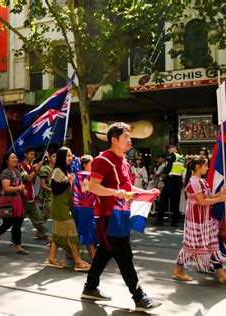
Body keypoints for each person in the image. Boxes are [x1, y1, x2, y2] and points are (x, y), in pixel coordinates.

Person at [81, 122, 162, 312]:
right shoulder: (103, 160)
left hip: (122, 214)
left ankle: (90, 287)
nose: (129, 140)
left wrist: (147, 192)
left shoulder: (124, 160)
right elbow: (92, 186)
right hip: (110, 217)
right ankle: (139, 297)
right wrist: (114, 192)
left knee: (105, 252)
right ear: (114, 139)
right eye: (126, 136)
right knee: (125, 255)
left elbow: (127, 189)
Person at [172, 155, 226, 284]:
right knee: (189, 247)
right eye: (206, 165)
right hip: (197, 221)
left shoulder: (201, 181)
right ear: (198, 167)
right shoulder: (194, 181)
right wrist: (219, 199)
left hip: (206, 220)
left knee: (213, 246)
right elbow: (202, 201)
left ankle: (222, 275)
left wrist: (219, 194)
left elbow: (209, 196)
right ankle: (178, 271)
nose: (207, 167)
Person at [47, 147, 91, 271]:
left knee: (58, 233)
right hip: (59, 207)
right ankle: (77, 261)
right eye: (68, 156)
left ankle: (51, 258)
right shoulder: (57, 171)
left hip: (64, 206)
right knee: (71, 232)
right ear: (62, 157)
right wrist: (68, 181)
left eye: (71, 155)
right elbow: (55, 190)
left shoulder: (65, 171)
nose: (71, 158)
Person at [0, 152, 28, 254]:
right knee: (7, 224)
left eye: (16, 157)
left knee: (18, 224)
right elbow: (6, 188)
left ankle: (18, 246)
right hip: (8, 202)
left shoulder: (17, 171)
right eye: (13, 158)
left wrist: (22, 190)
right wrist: (19, 188)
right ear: (7, 161)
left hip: (17, 201)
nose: (15, 159)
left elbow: (20, 184)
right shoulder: (5, 173)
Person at [19, 148, 49, 241]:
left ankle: (46, 237)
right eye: (31, 154)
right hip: (23, 199)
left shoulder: (32, 167)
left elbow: (33, 181)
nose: (33, 156)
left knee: (39, 220)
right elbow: (27, 178)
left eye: (33, 154)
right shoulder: (20, 166)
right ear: (25, 154)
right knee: (18, 222)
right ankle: (15, 239)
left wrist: (36, 170)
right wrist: (36, 170)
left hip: (32, 198)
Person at [72, 154, 97, 260]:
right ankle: (93, 257)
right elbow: (85, 192)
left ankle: (75, 256)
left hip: (78, 207)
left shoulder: (75, 175)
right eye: (92, 163)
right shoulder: (86, 176)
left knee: (79, 231)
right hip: (87, 208)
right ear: (85, 164)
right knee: (88, 232)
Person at [155, 144, 185, 227]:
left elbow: (168, 167)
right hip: (178, 180)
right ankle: (174, 222)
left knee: (163, 199)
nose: (169, 150)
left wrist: (164, 173)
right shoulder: (182, 157)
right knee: (176, 202)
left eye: (170, 148)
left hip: (171, 179)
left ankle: (159, 220)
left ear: (175, 148)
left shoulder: (172, 156)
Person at [37, 150, 55, 221]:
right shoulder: (45, 169)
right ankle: (39, 230)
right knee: (46, 215)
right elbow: (42, 185)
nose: (56, 158)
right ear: (49, 158)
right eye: (53, 156)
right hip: (49, 197)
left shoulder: (57, 169)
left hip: (57, 196)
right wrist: (51, 190)